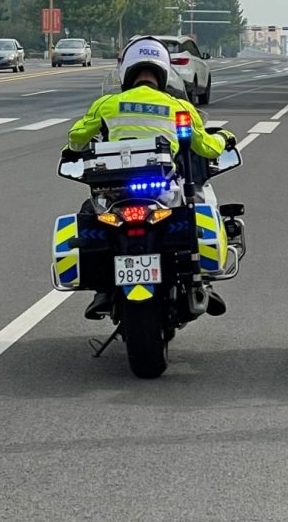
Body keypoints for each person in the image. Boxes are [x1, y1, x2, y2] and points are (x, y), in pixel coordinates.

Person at [64, 36, 237, 320]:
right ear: (163, 73)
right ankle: (202, 279)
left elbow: (77, 139)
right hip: (164, 191)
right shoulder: (179, 107)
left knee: (90, 213)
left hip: (116, 193)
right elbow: (206, 148)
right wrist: (224, 137)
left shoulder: (107, 104)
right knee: (202, 200)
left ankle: (103, 291)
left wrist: (71, 150)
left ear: (127, 72)